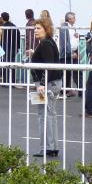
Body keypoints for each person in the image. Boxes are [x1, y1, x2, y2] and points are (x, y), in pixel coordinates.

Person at [29, 18, 62, 157]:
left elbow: (48, 66)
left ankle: (48, 147)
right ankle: (51, 147)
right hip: (51, 83)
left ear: (46, 29)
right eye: (35, 28)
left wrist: (42, 84)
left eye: (38, 28)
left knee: (44, 115)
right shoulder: (46, 43)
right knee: (50, 115)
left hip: (48, 84)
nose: (35, 30)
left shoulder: (46, 44)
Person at [58, 12, 81, 96]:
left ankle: (67, 90)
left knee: (71, 73)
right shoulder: (64, 27)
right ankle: (65, 90)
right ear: (69, 19)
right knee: (66, 73)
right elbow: (64, 42)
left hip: (73, 53)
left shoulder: (72, 28)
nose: (75, 19)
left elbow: (72, 40)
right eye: (73, 18)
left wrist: (76, 52)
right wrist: (69, 53)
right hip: (67, 54)